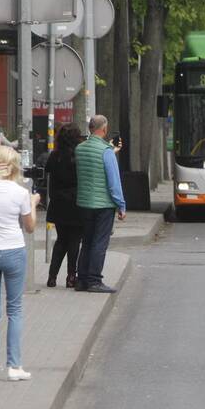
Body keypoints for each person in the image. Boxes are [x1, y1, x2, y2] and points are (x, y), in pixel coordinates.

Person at [0, 145, 40, 380]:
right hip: (14, 250)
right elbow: (30, 227)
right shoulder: (20, 192)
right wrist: (33, 203)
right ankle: (14, 367)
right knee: (14, 309)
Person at [75, 115, 126, 294]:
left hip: (83, 203)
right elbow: (114, 183)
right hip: (103, 205)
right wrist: (121, 205)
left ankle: (81, 280)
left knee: (87, 241)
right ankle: (95, 280)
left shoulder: (80, 149)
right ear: (104, 129)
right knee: (99, 243)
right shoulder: (106, 151)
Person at [45, 124, 84, 288]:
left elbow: (48, 175)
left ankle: (52, 277)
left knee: (61, 240)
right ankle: (71, 277)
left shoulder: (54, 156)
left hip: (58, 203)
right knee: (75, 240)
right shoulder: (79, 156)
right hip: (76, 203)